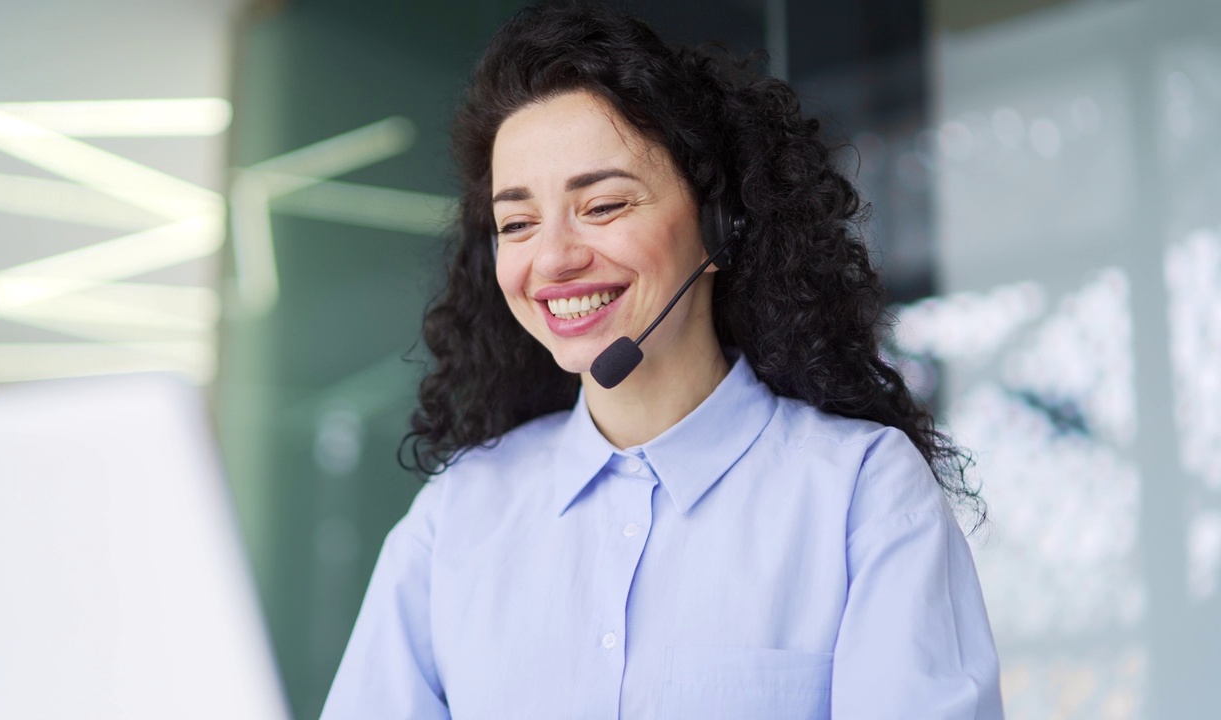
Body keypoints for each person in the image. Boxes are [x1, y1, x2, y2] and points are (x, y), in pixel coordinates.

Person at [321, 4, 1003, 718]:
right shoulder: (455, 518)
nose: (552, 257)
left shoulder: (858, 494)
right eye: (517, 223)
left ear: (718, 225)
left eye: (605, 205)